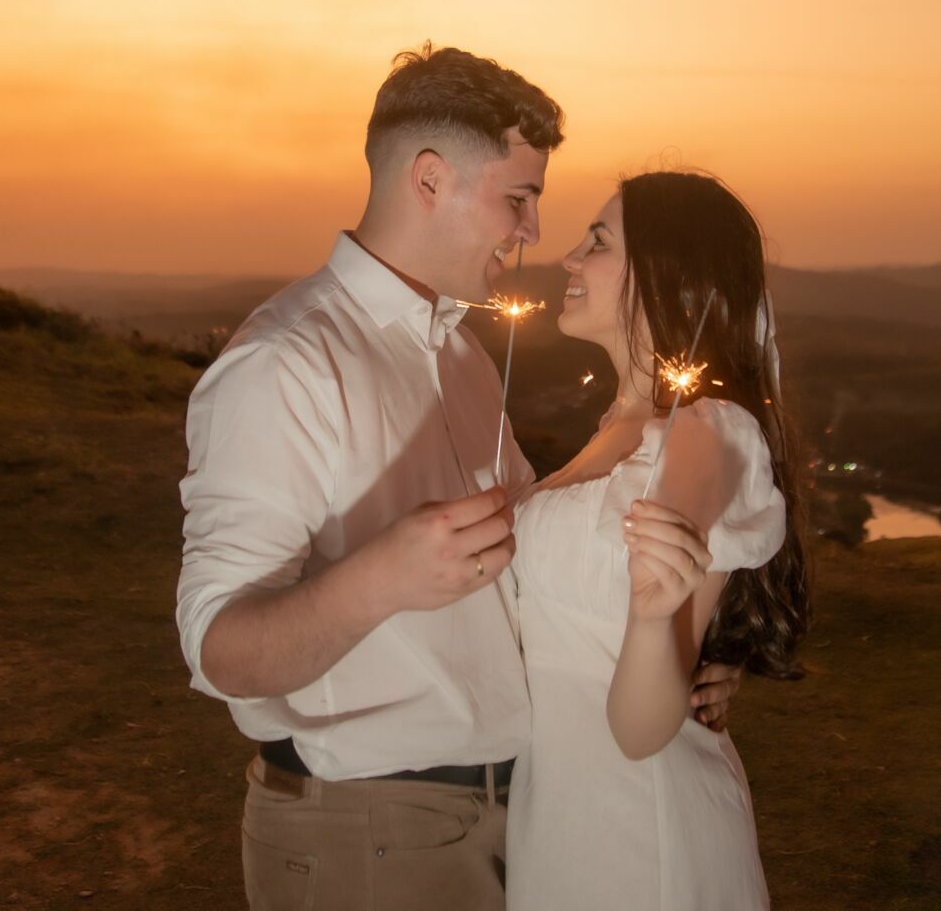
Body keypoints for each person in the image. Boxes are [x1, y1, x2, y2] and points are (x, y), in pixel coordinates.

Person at [174, 47, 742, 910]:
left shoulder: (463, 357)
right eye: (518, 199)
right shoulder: (285, 363)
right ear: (431, 180)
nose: (533, 232)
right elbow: (218, 647)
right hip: (369, 828)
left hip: (516, 814)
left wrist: (671, 660)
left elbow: (529, 575)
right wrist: (380, 578)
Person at [505, 171, 810, 909]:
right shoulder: (613, 428)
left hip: (640, 827)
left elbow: (641, 732)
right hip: (560, 812)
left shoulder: (705, 435)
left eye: (598, 243)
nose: (569, 258)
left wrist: (654, 618)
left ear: (672, 278)